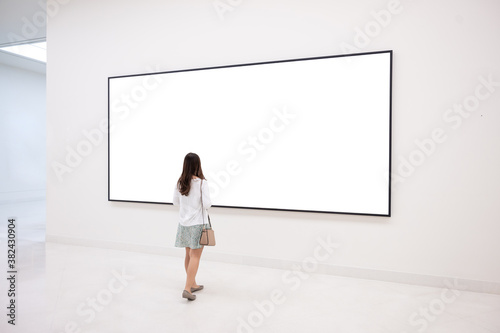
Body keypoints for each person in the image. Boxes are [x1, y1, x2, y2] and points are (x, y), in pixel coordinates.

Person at [173, 152, 212, 301]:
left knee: (188, 255)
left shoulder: (180, 182)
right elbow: (207, 204)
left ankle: (193, 283)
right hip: (198, 224)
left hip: (184, 224)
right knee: (195, 256)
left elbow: (175, 202)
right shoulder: (202, 183)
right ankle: (187, 288)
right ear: (197, 165)